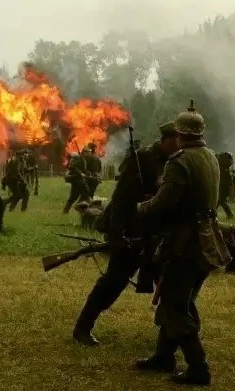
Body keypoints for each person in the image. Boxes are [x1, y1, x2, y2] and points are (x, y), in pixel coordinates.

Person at [135, 102, 225, 386]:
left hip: (184, 242)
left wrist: (140, 208)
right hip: (205, 236)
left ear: (179, 133)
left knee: (175, 303)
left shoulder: (180, 161)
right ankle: (164, 357)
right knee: (179, 296)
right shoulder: (209, 156)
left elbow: (165, 202)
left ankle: (199, 367)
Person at [72, 122, 179, 346]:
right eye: (178, 139)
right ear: (168, 138)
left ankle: (170, 340)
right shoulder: (142, 158)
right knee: (114, 282)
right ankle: (83, 327)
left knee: (168, 283)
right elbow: (121, 199)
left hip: (155, 231)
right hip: (131, 228)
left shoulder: (174, 161)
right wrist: (118, 233)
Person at [215, 152, 235, 219]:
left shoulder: (223, 167)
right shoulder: (226, 168)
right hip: (224, 185)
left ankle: (230, 215)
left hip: (223, 185)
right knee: (220, 200)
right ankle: (211, 213)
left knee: (221, 200)